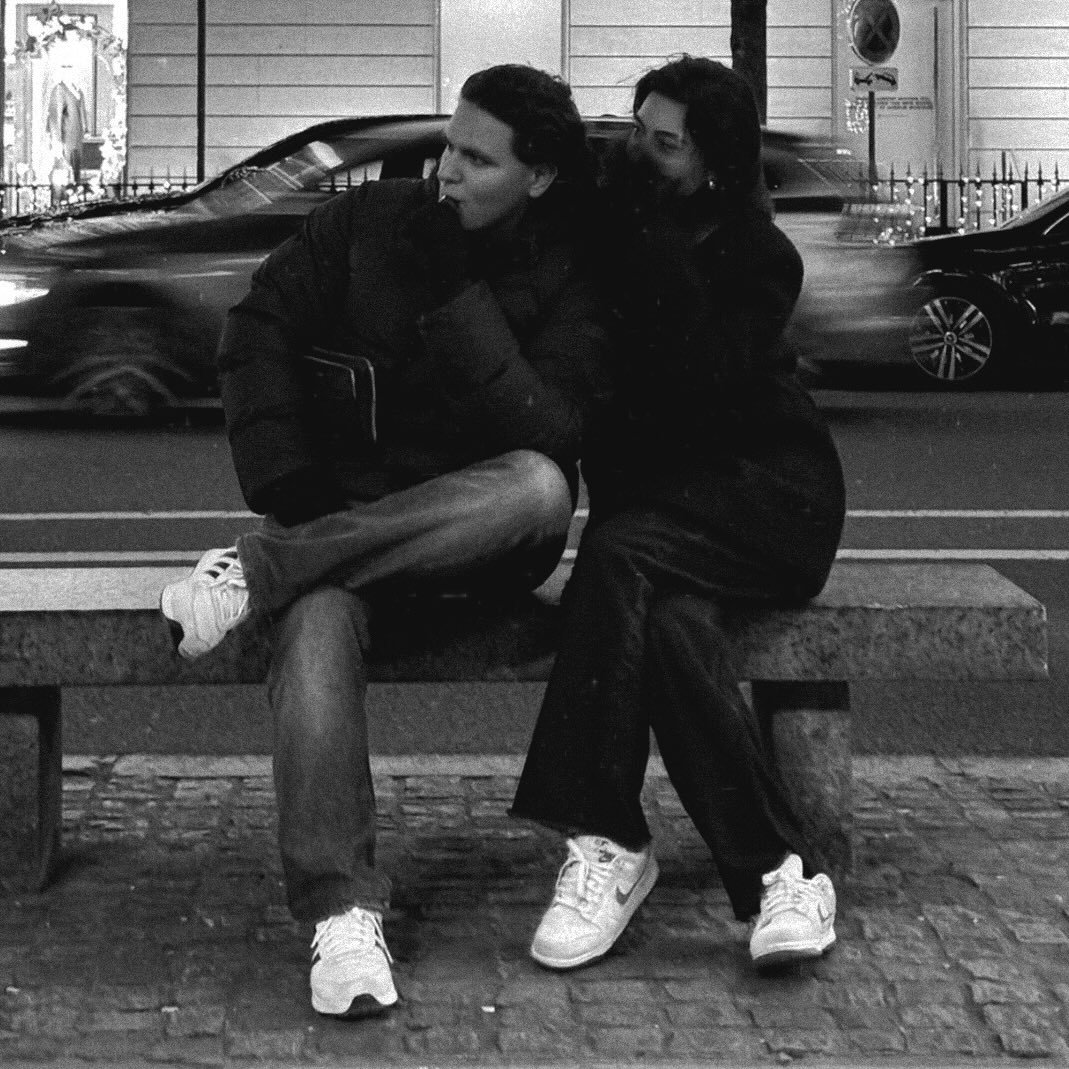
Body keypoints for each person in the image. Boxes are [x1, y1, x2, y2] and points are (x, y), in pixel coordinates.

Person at [159, 64, 610, 1019]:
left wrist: (456, 295)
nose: (448, 169)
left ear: (537, 177)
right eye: (448, 144)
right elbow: (257, 329)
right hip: (343, 531)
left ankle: (259, 571)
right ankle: (341, 914)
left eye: (477, 159)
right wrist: (286, 481)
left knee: (538, 484)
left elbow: (549, 425)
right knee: (316, 616)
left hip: (479, 545)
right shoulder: (366, 223)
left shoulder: (571, 269)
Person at [510, 57, 847, 974]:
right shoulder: (613, 231)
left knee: (617, 556)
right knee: (668, 630)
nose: (639, 154)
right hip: (663, 519)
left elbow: (697, 392)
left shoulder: (756, 258)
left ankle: (605, 831)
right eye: (636, 131)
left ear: (713, 165)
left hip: (768, 501)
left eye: (664, 144)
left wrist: (643, 238)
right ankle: (780, 871)